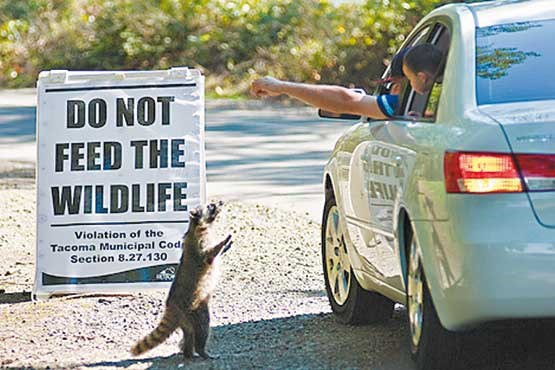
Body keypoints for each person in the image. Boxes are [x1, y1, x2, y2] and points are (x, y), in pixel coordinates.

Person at [250, 44, 444, 118]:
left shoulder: (399, 105)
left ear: (422, 77)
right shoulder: (450, 96)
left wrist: (282, 86)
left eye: (408, 80)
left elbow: (346, 101)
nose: (407, 87)